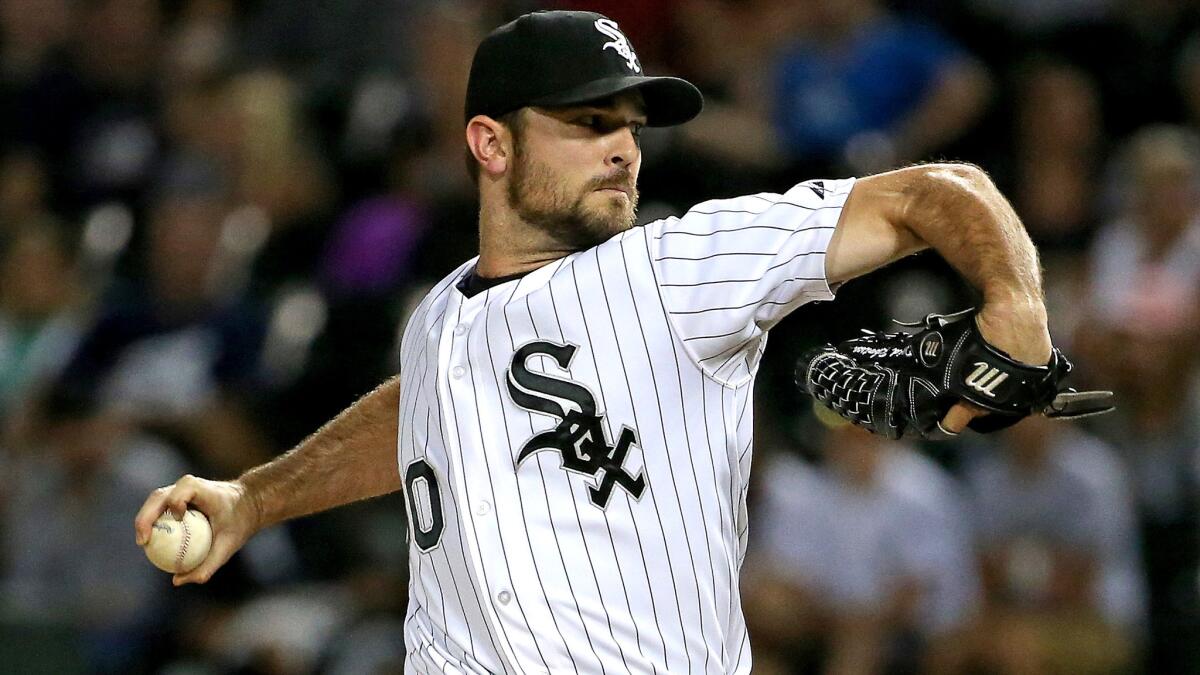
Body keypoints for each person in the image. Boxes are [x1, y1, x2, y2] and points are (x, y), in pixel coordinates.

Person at [135, 10, 1054, 674]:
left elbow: (935, 191)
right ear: (491, 144)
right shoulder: (441, 316)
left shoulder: (680, 268)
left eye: (629, 125)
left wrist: (1014, 303)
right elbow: (427, 406)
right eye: (587, 123)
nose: (624, 148)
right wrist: (253, 498)